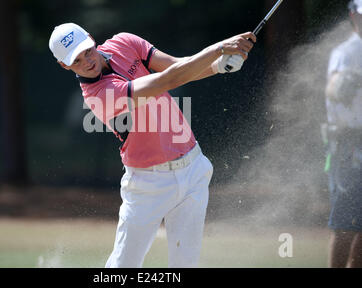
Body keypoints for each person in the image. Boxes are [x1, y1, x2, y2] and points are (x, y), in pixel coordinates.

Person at [49, 22, 256, 267]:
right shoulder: (98, 95)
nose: (87, 61)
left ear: (92, 40)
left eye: (87, 51)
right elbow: (167, 81)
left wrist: (217, 66)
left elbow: (177, 66)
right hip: (148, 185)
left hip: (193, 169)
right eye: (76, 60)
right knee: (123, 267)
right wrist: (219, 49)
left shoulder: (124, 42)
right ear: (64, 65)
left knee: (185, 265)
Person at [325, 0, 362, 268]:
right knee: (346, 224)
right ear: (353, 16)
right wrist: (344, 85)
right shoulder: (347, 52)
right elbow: (333, 87)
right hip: (349, 144)